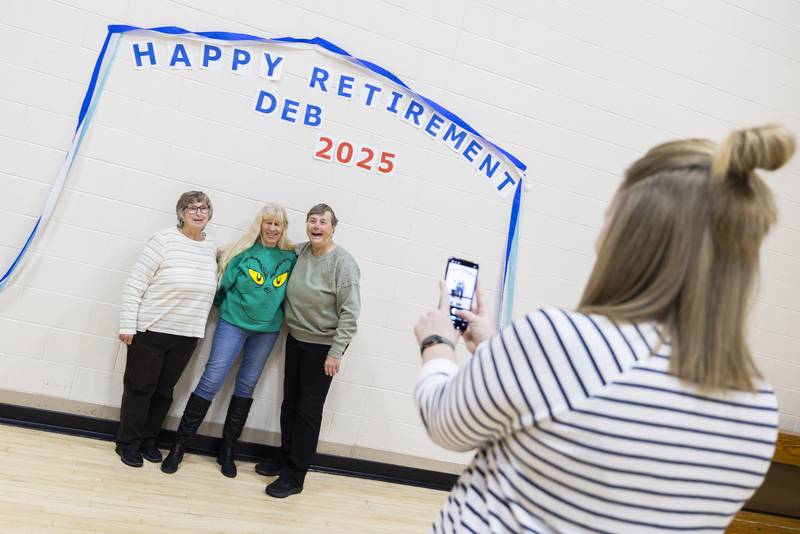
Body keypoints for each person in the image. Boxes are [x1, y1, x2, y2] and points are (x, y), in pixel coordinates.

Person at [413, 125, 795, 533]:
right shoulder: (757, 406)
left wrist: (438, 344)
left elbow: (445, 422)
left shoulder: (558, 340)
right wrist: (498, 348)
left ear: (629, 231)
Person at [161, 203, 297, 477]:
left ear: (283, 229)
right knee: (212, 379)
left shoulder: (291, 258)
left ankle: (228, 451)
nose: (272, 229)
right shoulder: (242, 252)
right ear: (259, 225)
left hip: (267, 331)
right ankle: (179, 446)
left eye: (277, 225)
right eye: (267, 223)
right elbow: (221, 290)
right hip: (233, 325)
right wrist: (231, 311)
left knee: (246, 385)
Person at [254, 203, 361, 498]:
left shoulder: (344, 264)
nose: (316, 226)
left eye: (323, 222)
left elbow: (351, 313)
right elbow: (273, 249)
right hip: (297, 339)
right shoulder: (300, 252)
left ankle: (295, 475)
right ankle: (285, 457)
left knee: (307, 413)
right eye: (312, 221)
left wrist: (336, 352)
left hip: (323, 348)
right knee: (290, 405)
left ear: (333, 228)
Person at [115, 191, 218, 468]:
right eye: (192, 208)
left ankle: (149, 439)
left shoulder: (211, 248)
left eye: (204, 208)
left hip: (186, 335)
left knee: (164, 391)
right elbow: (135, 283)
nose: (199, 212)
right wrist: (128, 324)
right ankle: (128, 443)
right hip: (151, 329)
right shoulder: (163, 240)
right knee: (140, 389)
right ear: (181, 213)